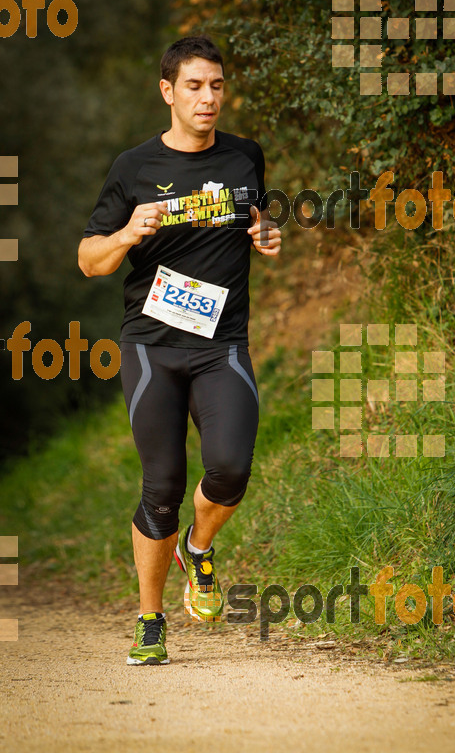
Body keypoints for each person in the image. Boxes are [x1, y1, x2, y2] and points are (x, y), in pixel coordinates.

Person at [78, 35, 281, 665]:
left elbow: (259, 214)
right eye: (194, 86)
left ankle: (199, 550)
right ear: (167, 91)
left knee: (230, 469)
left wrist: (266, 230)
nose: (208, 98)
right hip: (151, 348)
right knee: (160, 486)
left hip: (220, 346)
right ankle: (149, 619)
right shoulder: (133, 167)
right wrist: (125, 232)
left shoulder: (246, 157)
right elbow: (89, 261)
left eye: (217, 85)